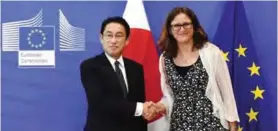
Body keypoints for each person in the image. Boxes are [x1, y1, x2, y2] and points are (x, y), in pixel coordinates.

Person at [152, 7, 240, 131]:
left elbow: (226, 92)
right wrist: (159, 107)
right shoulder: (165, 59)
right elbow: (169, 96)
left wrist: (233, 125)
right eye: (176, 25)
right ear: (170, 29)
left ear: (194, 26)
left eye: (186, 24)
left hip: (211, 124)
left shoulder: (211, 52)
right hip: (179, 125)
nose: (182, 29)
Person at [80, 16, 156, 131]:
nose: (113, 41)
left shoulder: (136, 68)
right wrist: (140, 108)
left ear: (127, 40)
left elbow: (139, 103)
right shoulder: (90, 66)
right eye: (109, 35)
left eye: (119, 35)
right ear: (101, 38)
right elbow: (100, 102)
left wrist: (145, 111)